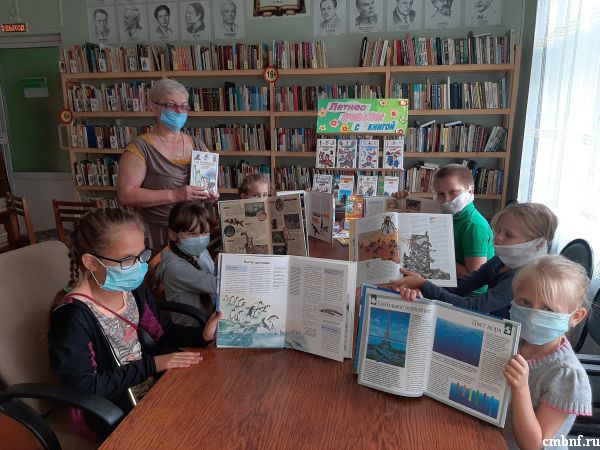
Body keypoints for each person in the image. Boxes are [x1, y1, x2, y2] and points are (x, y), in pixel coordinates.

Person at [48, 208, 221, 439]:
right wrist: (152, 365)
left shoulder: (132, 288)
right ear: (91, 262)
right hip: (110, 406)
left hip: (147, 384)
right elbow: (86, 387)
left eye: (142, 255)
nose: (140, 266)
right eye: (128, 259)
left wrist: (202, 335)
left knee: (212, 403)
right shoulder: (72, 317)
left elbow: (162, 332)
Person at [393, 202, 558, 319]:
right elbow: (462, 285)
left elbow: (472, 307)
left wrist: (424, 285)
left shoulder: (523, 278)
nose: (498, 238)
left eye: (509, 235)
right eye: (498, 230)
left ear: (538, 244)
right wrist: (422, 285)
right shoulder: (500, 261)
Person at [117, 79, 218, 250]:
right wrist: (175, 195)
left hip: (194, 234)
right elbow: (125, 195)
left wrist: (209, 195)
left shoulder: (198, 144)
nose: (179, 111)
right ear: (154, 107)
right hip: (158, 234)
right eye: (171, 105)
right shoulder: (140, 148)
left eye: (184, 106)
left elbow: (207, 184)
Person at [503, 256, 592, 449]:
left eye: (548, 309)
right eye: (525, 302)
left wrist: (521, 388)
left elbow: (533, 445)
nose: (533, 316)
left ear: (576, 317)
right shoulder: (510, 341)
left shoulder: (567, 376)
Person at [394, 164, 494, 286]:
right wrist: (401, 201)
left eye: (453, 192)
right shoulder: (446, 214)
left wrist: (438, 257)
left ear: (470, 190)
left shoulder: (473, 225)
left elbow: (476, 277)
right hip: (441, 283)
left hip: (465, 293)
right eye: (441, 194)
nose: (447, 199)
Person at [157, 201, 217, 326]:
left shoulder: (201, 251)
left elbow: (213, 272)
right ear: (173, 235)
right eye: (192, 234)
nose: (200, 239)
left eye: (204, 232)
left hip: (210, 316)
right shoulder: (174, 268)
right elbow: (215, 285)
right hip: (193, 328)